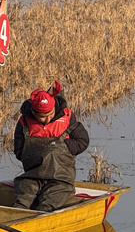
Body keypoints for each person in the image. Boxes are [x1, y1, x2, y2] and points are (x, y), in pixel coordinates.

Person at [12, 80, 89, 212]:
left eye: (50, 114)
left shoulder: (67, 117)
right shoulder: (24, 122)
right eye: (43, 117)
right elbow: (19, 150)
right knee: (20, 205)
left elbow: (82, 140)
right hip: (31, 177)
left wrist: (64, 147)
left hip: (61, 180)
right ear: (34, 112)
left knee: (47, 207)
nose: (47, 119)